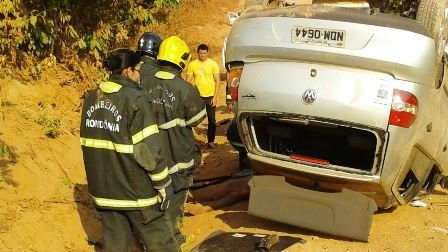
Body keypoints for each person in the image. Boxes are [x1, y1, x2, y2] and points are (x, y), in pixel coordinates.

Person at [79, 48, 177, 252]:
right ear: (127, 71)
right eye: (138, 70)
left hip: (104, 191)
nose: (140, 75)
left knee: (117, 246)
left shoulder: (91, 98)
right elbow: (149, 153)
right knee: (161, 243)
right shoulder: (135, 100)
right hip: (137, 193)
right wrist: (162, 184)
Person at [142, 35, 206, 247]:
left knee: (154, 197)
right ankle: (172, 242)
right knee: (176, 198)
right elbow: (197, 119)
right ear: (182, 61)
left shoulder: (143, 82)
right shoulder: (186, 89)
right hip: (178, 156)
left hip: (150, 154)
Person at [186, 44, 220, 149]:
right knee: (191, 118)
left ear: (208, 53)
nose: (202, 55)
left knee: (212, 120)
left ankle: (211, 141)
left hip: (210, 96)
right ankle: (191, 142)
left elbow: (217, 81)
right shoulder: (192, 64)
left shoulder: (213, 64)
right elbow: (188, 81)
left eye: (204, 53)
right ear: (198, 53)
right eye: (201, 53)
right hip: (197, 97)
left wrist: (215, 97)